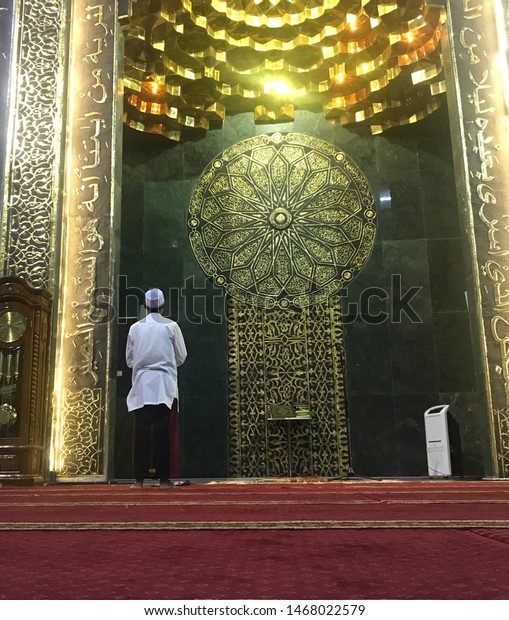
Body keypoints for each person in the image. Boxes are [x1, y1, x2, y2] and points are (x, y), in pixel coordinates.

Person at [126, 287, 187, 489]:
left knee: (141, 433)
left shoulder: (135, 328)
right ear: (163, 306)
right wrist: (166, 362)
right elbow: (181, 356)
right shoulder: (171, 326)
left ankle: (139, 480)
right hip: (164, 385)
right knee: (163, 433)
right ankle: (163, 479)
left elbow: (129, 360)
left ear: (145, 306)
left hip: (142, 385)